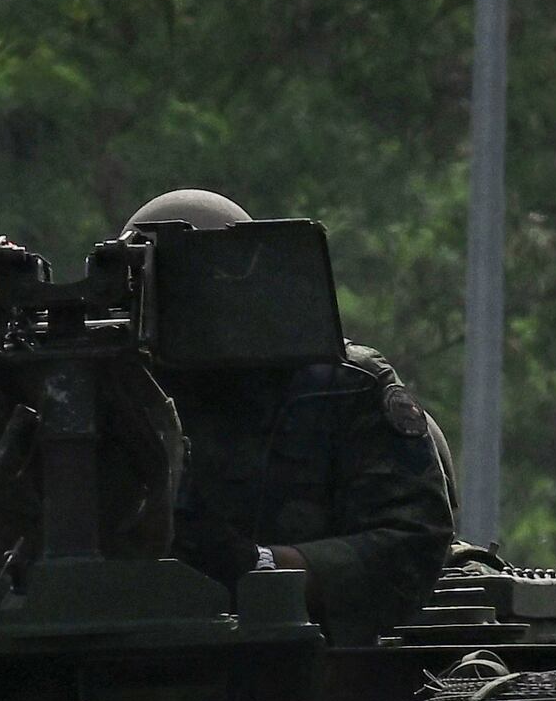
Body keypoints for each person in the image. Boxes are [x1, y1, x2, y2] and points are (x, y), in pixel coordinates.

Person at [123, 188, 461, 643]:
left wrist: (261, 566)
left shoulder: (341, 385)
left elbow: (413, 544)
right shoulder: (108, 389)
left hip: (308, 660)